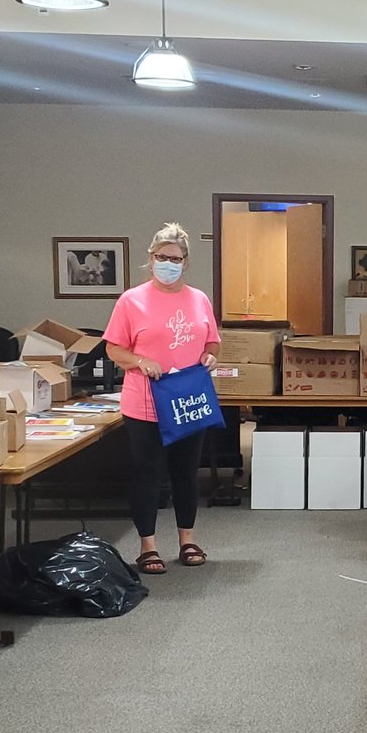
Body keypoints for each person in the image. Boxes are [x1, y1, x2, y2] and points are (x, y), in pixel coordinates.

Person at [102, 222, 221, 575]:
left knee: (186, 473)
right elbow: (113, 349)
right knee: (147, 474)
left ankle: (188, 540)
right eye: (162, 257)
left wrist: (210, 356)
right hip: (145, 403)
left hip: (188, 401)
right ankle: (148, 546)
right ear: (151, 258)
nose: (168, 263)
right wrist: (140, 361)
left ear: (186, 262)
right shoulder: (131, 300)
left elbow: (212, 341)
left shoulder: (199, 299)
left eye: (175, 258)